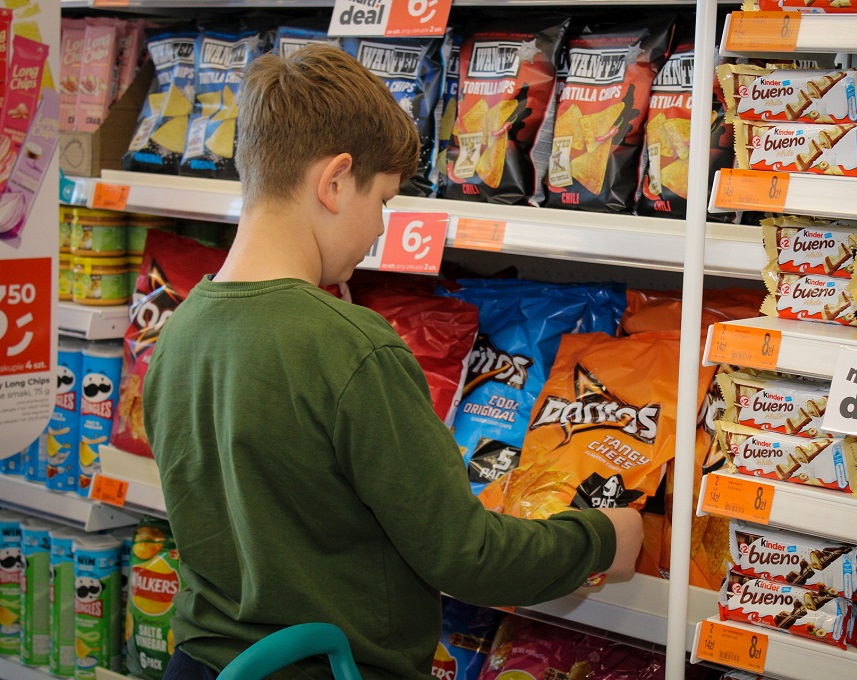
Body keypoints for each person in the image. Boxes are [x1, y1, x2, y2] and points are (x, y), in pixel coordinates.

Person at [143, 44, 643, 680]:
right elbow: (467, 556)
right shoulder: (352, 348)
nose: (381, 228)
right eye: (382, 200)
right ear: (334, 182)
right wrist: (603, 538)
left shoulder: (180, 330)